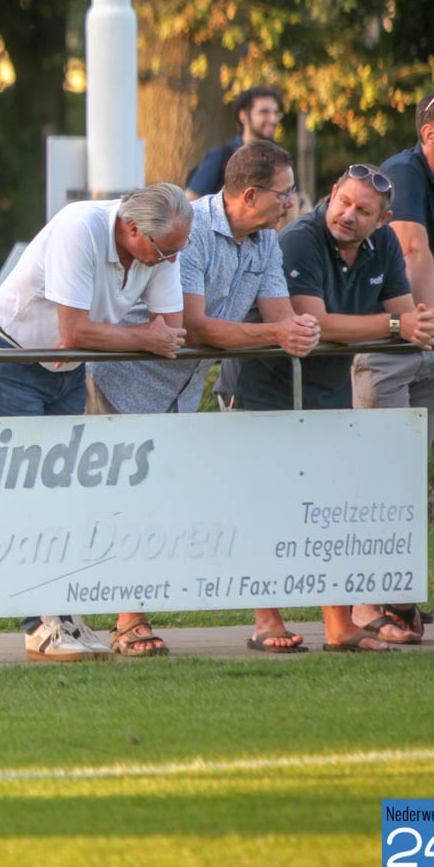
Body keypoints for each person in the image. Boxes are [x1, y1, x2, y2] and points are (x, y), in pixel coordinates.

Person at [88, 142, 321, 656]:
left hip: (180, 391)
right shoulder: (189, 229)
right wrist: (277, 334)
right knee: (125, 508)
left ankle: (246, 619)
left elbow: (279, 316)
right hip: (121, 381)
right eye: (284, 193)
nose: (291, 203)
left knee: (161, 506)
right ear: (250, 195)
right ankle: (126, 622)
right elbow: (195, 327)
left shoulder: (266, 241)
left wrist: (299, 329)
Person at [0, 183, 191, 662]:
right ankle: (39, 626)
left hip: (67, 367)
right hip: (11, 353)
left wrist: (124, 336)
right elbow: (75, 332)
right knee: (31, 491)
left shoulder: (161, 246)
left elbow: (171, 330)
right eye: (164, 252)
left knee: (64, 491)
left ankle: (64, 616)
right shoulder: (79, 227)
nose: (171, 261)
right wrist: (140, 337)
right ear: (132, 229)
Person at [234, 164, 434, 652]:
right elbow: (316, 322)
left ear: (383, 219)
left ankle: (339, 626)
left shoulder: (383, 244)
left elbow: (404, 311)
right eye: (343, 202)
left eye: (363, 210)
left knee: (330, 506)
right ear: (331, 195)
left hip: (329, 386)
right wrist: (397, 327)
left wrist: (428, 326)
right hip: (266, 384)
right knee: (268, 504)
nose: (347, 215)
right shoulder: (300, 239)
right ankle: (267, 622)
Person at [349, 84, 434, 641]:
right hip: (387, 342)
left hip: (421, 343)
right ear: (430, 134)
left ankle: (396, 597)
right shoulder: (402, 174)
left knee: (404, 479)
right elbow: (412, 250)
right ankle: (364, 604)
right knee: (377, 476)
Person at [185, 85, 283, 199]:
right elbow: (190, 201)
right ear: (243, 116)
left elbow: (294, 199)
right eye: (264, 112)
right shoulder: (220, 156)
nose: (273, 119)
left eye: (276, 113)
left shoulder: (280, 158)